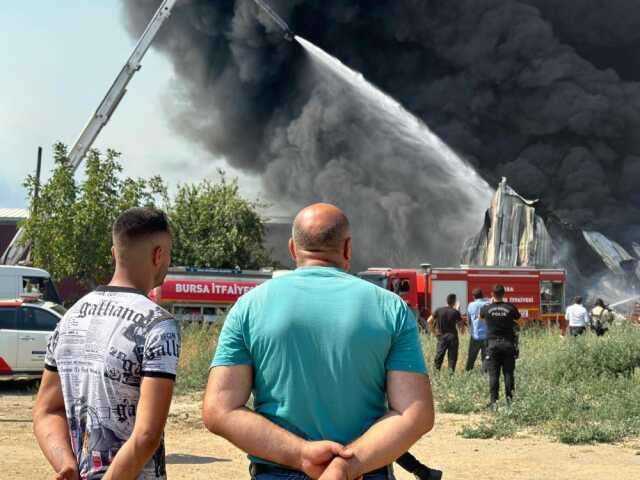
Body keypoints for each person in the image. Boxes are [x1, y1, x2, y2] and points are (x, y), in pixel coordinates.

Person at [202, 203, 435, 480]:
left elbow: (220, 410)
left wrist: (300, 454)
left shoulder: (249, 307)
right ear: (347, 248)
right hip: (364, 472)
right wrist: (349, 465)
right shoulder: (390, 308)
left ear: (292, 248)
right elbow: (415, 413)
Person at [33, 207, 180, 480]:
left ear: (115, 254)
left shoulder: (70, 317)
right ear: (158, 255)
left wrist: (65, 464)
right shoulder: (159, 324)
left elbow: (46, 410)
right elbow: (146, 435)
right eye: (169, 253)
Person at [480, 285, 520, 409]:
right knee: (508, 374)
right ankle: (509, 402)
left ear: (492, 294)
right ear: (504, 294)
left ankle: (494, 403)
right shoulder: (510, 307)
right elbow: (519, 320)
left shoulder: (486, 308)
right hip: (508, 344)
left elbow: (481, 319)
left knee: (493, 375)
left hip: (492, 345)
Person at [431, 293, 464, 372]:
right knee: (452, 357)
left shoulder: (438, 310)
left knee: (439, 354)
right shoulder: (455, 312)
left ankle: (436, 372)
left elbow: (429, 320)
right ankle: (450, 374)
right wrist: (458, 309)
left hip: (441, 336)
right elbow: (461, 325)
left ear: (447, 301)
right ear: (454, 301)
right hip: (452, 337)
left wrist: (433, 331)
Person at [465, 288, 490, 372]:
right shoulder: (488, 304)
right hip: (487, 336)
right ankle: (484, 374)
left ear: (473, 296)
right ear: (482, 295)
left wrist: (470, 329)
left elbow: (468, 320)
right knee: (486, 358)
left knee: (471, 357)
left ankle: (468, 372)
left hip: (475, 336)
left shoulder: (471, 305)